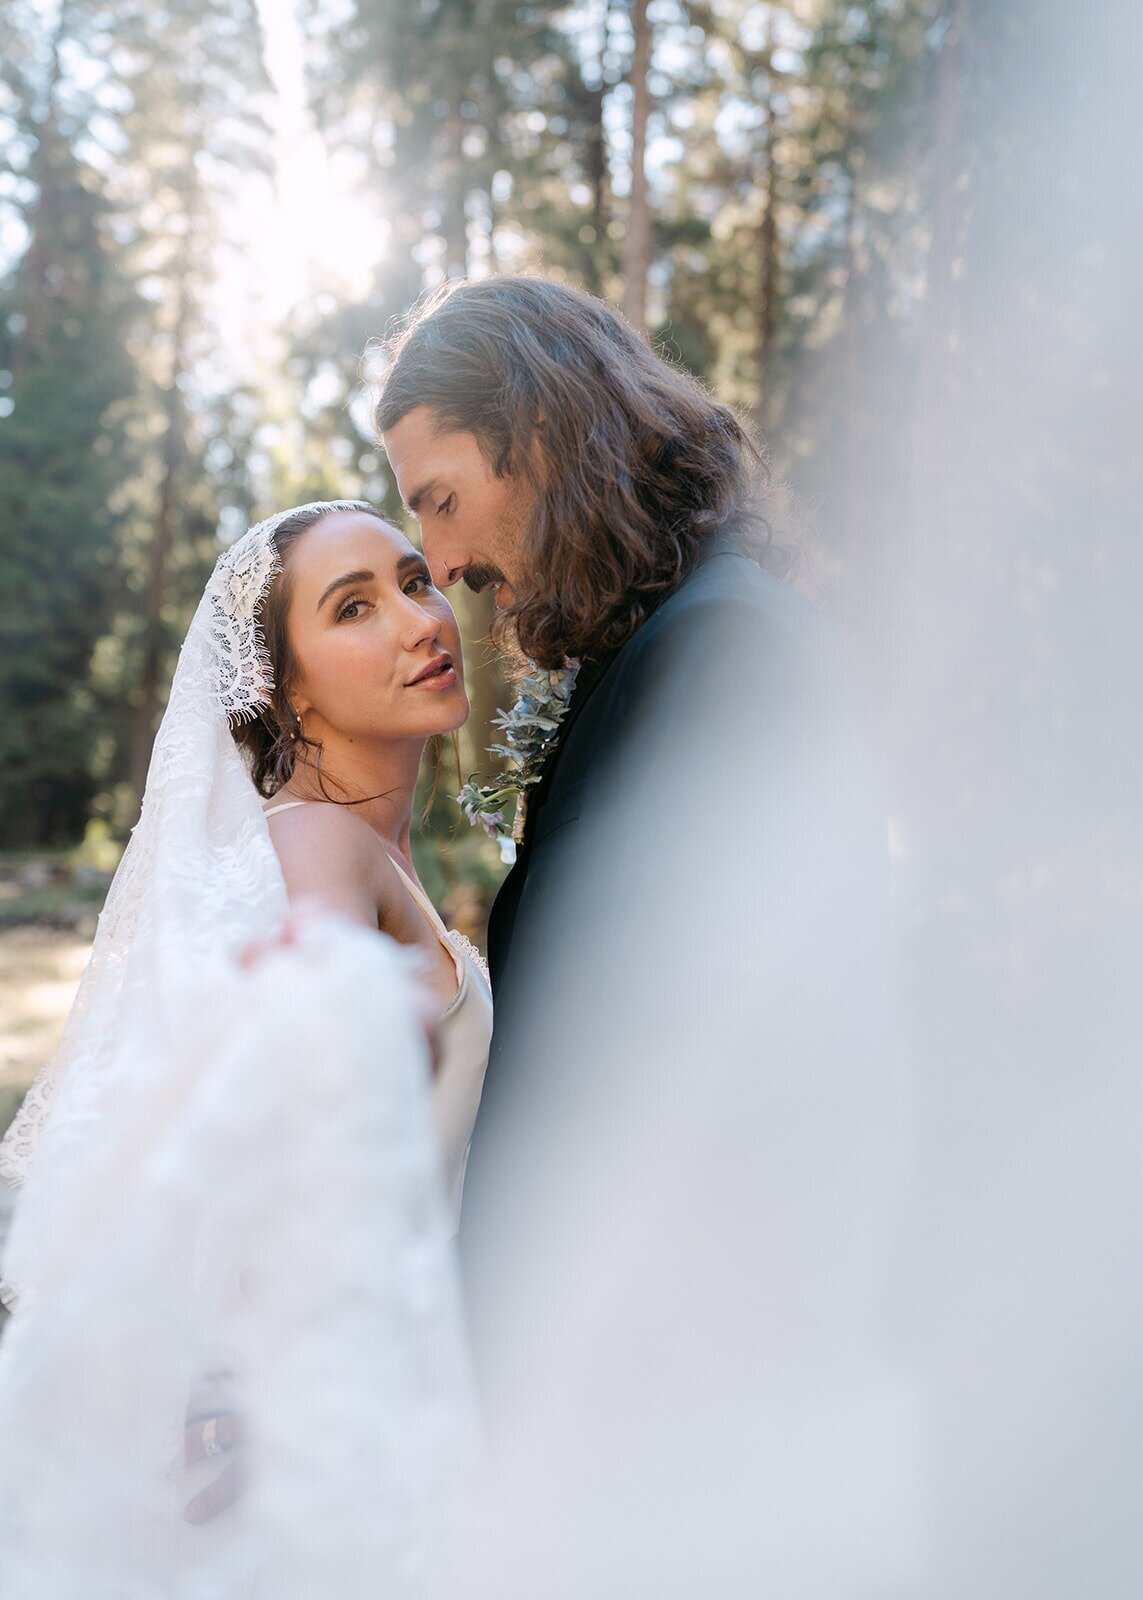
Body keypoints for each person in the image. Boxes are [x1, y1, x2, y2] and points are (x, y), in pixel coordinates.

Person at [377, 276, 919, 1597]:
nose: (441, 565)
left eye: (440, 498)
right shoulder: (679, 643)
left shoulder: (725, 650)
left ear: (544, 440)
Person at [0, 500, 486, 1596]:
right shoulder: (317, 842)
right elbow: (310, 1071)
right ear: (288, 688)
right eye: (353, 607)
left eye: (415, 579)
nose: (419, 620)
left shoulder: (363, 847)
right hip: (323, 1447)